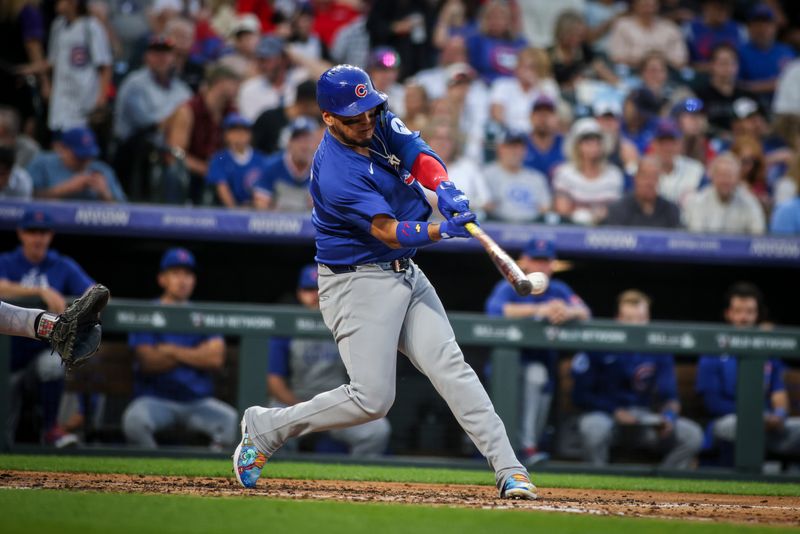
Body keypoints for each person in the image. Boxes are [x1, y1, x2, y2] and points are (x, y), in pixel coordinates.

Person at [234, 64, 538, 500]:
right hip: (356, 282)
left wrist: (445, 186)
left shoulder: (375, 118)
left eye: (369, 112)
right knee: (372, 400)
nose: (366, 122)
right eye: (353, 117)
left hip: (404, 272)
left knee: (452, 368)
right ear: (328, 118)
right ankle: (266, 427)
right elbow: (387, 230)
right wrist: (439, 229)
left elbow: (417, 152)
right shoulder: (335, 171)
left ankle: (510, 469)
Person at [485, 238, 590, 466]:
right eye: (536, 260)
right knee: (534, 375)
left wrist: (567, 312)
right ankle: (525, 448)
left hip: (542, 366)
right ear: (524, 263)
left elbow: (584, 312)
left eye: (545, 261)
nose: (541, 266)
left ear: (553, 264)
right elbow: (495, 309)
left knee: (538, 378)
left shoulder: (559, 289)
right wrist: (538, 309)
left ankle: (529, 448)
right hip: (506, 368)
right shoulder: (510, 285)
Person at [267, 265, 391, 456]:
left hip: (337, 403)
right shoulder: (286, 327)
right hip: (295, 402)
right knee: (270, 423)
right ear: (299, 293)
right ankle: (280, 483)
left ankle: (359, 482)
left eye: (318, 288)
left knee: (377, 431)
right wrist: (304, 410)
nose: (315, 295)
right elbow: (274, 382)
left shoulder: (347, 322)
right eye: (308, 290)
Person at [572, 290, 703, 469]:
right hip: (609, 418)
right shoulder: (600, 344)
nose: (635, 325)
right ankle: (598, 486)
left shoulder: (658, 348)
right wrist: (614, 410)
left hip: (645, 419)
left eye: (640, 318)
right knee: (592, 427)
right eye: (629, 318)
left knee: (692, 434)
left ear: (648, 318)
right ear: (618, 318)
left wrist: (669, 417)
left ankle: (664, 483)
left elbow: (670, 396)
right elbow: (581, 395)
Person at [122, 248, 237, 449]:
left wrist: (170, 350)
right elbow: (149, 362)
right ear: (162, 279)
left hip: (197, 402)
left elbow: (215, 359)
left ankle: (208, 475)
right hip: (156, 400)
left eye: (188, 274)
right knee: (134, 421)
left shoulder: (202, 315)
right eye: (175, 273)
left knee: (233, 422)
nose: (183, 280)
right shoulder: (147, 312)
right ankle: (153, 474)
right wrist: (197, 353)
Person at [0, 209, 96, 447]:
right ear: (21, 233)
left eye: (43, 232)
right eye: (32, 231)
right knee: (4, 435)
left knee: (54, 363)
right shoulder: (7, 261)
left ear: (50, 235)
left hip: (40, 355)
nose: (38, 238)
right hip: (5, 359)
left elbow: (96, 292)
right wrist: (40, 291)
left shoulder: (61, 264)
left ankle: (51, 430)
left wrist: (80, 309)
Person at [696, 283, 800, 461]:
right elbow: (712, 404)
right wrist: (754, 417)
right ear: (728, 313)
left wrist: (779, 415)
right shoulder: (712, 351)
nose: (744, 318)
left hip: (769, 424)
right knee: (733, 425)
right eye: (738, 311)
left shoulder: (767, 352)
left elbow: (779, 395)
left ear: (757, 315)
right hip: (730, 422)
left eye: (750, 311)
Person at [112, 36, 192, 198]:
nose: (162, 58)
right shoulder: (135, 83)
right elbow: (147, 124)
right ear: (146, 56)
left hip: (168, 149)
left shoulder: (181, 88)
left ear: (173, 58)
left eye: (166, 53)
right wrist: (176, 116)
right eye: (156, 53)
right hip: (134, 149)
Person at [169, 64, 242, 204]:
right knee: (174, 171)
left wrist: (220, 165)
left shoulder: (232, 111)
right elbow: (175, 154)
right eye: (234, 82)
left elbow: (233, 148)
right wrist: (206, 169)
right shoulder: (188, 110)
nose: (238, 87)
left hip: (220, 165)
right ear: (220, 82)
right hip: (193, 167)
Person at [46, 0, 113, 133]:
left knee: (82, 146)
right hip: (62, 97)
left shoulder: (91, 26)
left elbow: (105, 65)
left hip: (85, 96)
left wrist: (101, 98)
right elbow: (51, 62)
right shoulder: (57, 25)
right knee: (60, 143)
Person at [553, 117, 624, 225]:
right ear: (576, 145)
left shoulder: (614, 175)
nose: (593, 144)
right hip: (573, 231)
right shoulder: (564, 173)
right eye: (586, 140)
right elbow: (562, 211)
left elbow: (617, 212)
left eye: (597, 140)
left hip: (606, 232)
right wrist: (585, 217)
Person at [27, 126, 126, 202]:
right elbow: (24, 196)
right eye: (80, 156)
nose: (85, 160)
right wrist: (63, 190)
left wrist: (105, 194)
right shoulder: (43, 163)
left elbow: (127, 213)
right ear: (62, 149)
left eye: (89, 155)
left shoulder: (103, 170)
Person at [683, 153, 765, 235]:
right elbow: (696, 238)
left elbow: (757, 237)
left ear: (737, 178)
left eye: (730, 176)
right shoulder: (697, 202)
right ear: (712, 176)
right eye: (721, 175)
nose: (725, 180)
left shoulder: (749, 202)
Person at [484, 130, 551, 223]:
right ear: (500, 148)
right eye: (511, 146)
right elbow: (482, 207)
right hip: (497, 227)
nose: (516, 151)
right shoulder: (486, 175)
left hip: (531, 228)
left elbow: (545, 210)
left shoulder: (537, 178)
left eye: (520, 147)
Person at [253, 117, 319, 211]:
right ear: (289, 143)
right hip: (276, 223)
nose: (304, 145)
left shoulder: (322, 169)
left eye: (308, 139)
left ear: (315, 143)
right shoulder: (271, 166)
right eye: (298, 140)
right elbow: (261, 205)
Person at [206, 113, 271, 208]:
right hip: (228, 212)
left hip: (256, 210)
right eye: (234, 130)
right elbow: (222, 189)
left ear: (250, 134)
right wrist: (236, 212)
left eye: (244, 130)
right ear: (226, 135)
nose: (240, 134)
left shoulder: (261, 159)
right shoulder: (219, 159)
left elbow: (266, 189)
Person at [489, 48, 559, 134]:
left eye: (532, 67)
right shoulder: (502, 85)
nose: (526, 71)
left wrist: (538, 86)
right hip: (509, 135)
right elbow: (496, 115)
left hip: (536, 136)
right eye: (523, 65)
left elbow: (549, 118)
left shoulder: (547, 87)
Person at [237, 36, 307, 122]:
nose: (263, 64)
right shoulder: (249, 89)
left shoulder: (300, 79)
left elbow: (326, 76)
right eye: (261, 60)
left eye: (268, 59)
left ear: (283, 59)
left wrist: (294, 55)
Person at [737, 4, 795, 106]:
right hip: (752, 106)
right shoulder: (740, 52)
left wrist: (779, 84)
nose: (762, 29)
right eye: (757, 24)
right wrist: (775, 84)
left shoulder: (787, 51)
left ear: (775, 27)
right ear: (749, 27)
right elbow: (736, 86)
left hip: (787, 106)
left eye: (766, 24)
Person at [695, 44, 756, 136]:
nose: (728, 67)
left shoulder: (748, 95)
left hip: (745, 143)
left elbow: (761, 125)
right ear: (711, 65)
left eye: (732, 63)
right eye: (723, 63)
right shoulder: (699, 96)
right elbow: (695, 124)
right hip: (711, 144)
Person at [604, 155, 681, 228]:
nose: (649, 182)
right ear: (635, 178)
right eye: (645, 176)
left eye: (654, 177)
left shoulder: (670, 210)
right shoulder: (618, 209)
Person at [607, 0, 687, 70]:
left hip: (667, 74)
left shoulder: (670, 28)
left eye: (651, 5)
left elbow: (680, 61)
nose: (648, 10)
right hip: (632, 73)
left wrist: (657, 61)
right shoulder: (622, 25)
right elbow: (616, 57)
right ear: (635, 5)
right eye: (644, 5)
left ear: (658, 6)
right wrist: (646, 62)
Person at [465, 0, 527, 84]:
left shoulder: (520, 42)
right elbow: (472, 69)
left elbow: (525, 68)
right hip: (485, 86)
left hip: (515, 87)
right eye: (492, 17)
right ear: (484, 20)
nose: (496, 21)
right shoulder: (477, 41)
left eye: (501, 17)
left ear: (508, 20)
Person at [252, 80, 319, 156]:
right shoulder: (268, 119)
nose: (319, 109)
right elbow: (253, 150)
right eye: (317, 105)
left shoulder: (314, 122)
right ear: (305, 103)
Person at [649, 119, 705, 209]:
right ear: (653, 144)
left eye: (672, 142)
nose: (667, 147)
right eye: (662, 142)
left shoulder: (696, 170)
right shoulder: (640, 171)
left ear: (680, 144)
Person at [684, 0, 744, 70]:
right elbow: (683, 63)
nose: (722, 10)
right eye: (717, 6)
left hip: (729, 77)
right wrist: (712, 67)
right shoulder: (690, 28)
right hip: (698, 76)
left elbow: (742, 61)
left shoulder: (739, 29)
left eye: (726, 6)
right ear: (706, 7)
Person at [523, 95, 565, 182]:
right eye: (539, 113)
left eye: (547, 114)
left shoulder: (566, 144)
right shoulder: (519, 144)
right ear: (531, 117)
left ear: (556, 118)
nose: (543, 118)